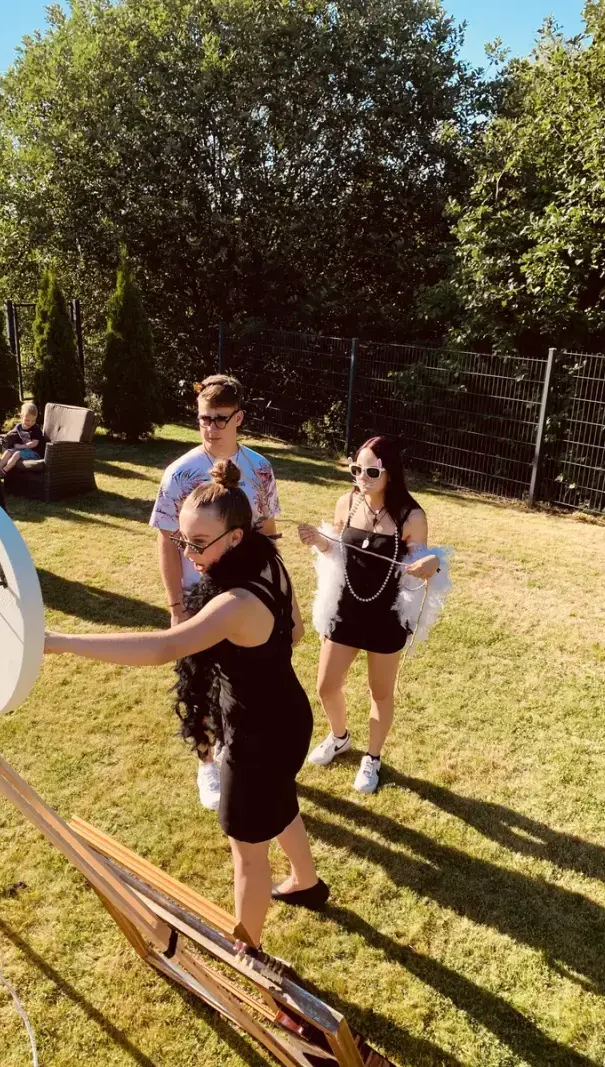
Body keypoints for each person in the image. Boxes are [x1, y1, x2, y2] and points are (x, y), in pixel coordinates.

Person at [46, 460, 326, 947]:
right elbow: (297, 631)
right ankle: (307, 881)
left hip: (256, 736)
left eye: (199, 545)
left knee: (247, 854)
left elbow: (162, 647)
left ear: (235, 538)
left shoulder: (233, 603)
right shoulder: (270, 562)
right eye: (183, 541)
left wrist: (59, 641)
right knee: (279, 803)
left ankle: (249, 952)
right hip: (288, 716)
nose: (189, 554)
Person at [150, 374, 280, 811]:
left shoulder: (260, 468)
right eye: (204, 419)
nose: (211, 428)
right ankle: (206, 761)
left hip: (247, 597)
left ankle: (232, 745)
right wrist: (175, 609)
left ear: (239, 417)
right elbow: (168, 542)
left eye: (221, 419)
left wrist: (277, 593)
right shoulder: (180, 473)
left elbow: (268, 531)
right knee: (198, 685)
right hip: (198, 597)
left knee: (242, 681)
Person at [298, 436, 439, 794]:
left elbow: (420, 563)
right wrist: (319, 541)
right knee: (326, 685)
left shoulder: (411, 515)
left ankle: (372, 758)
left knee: (380, 693)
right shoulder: (345, 502)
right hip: (347, 609)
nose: (362, 476)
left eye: (371, 471)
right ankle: (340, 737)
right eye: (356, 469)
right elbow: (339, 552)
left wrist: (431, 564)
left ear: (390, 473)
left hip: (385, 616)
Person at [0, 402, 48, 477]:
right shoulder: (18, 427)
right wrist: (4, 438)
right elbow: (10, 433)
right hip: (24, 450)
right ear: (21, 416)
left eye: (33, 421)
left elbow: (34, 443)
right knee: (8, 452)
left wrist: (20, 446)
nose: (30, 423)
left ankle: (4, 471)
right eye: (27, 420)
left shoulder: (36, 429)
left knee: (17, 454)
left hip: (35, 453)